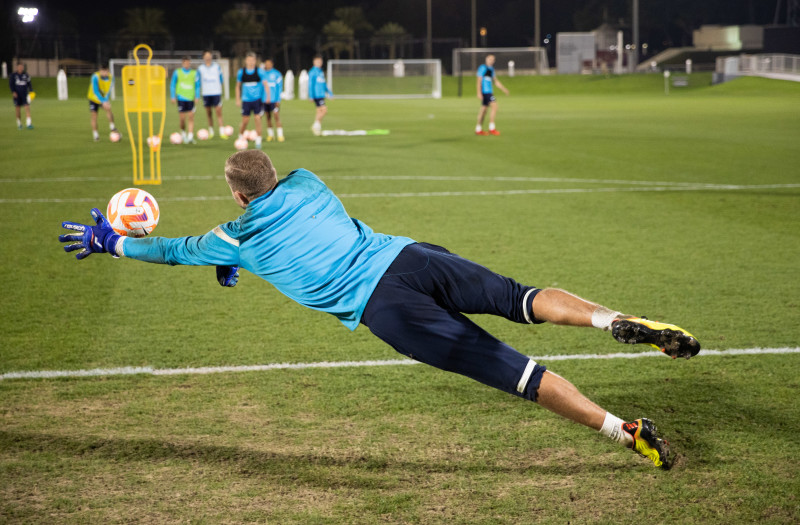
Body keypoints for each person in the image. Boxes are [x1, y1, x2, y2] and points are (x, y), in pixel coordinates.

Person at [59, 150, 701, 470]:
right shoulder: (307, 182)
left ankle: (626, 432)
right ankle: (609, 320)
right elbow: (272, 224)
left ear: (235, 193)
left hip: (384, 307)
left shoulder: (237, 237)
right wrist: (233, 257)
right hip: (410, 256)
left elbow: (173, 250)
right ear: (275, 174)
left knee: (518, 374)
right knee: (520, 298)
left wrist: (112, 242)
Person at [235, 52, 268, 149]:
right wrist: (238, 99)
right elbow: (237, 87)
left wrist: (267, 97)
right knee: (245, 121)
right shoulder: (241, 72)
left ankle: (258, 139)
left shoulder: (260, 72)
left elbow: (266, 85)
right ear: (246, 61)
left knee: (257, 118)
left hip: (257, 100)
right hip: (246, 100)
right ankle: (240, 137)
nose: (251, 62)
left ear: (255, 61)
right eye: (249, 60)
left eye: (252, 60)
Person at [475, 54, 509, 136]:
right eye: (490, 59)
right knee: (494, 106)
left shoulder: (491, 69)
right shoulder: (483, 68)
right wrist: (479, 92)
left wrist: (503, 89)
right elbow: (479, 80)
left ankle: (478, 129)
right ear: (486, 59)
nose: (491, 61)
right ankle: (491, 128)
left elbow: (495, 81)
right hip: (485, 92)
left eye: (493, 60)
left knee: (484, 110)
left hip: (489, 93)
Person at [198, 51, 228, 139]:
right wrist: (198, 94)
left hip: (216, 92)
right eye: (206, 56)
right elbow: (198, 82)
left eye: (209, 56)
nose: (208, 57)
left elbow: (221, 79)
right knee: (209, 113)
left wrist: (218, 88)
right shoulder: (200, 68)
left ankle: (222, 132)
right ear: (203, 57)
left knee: (219, 112)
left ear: (211, 56)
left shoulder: (217, 67)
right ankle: (211, 131)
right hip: (206, 93)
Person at [170, 56, 201, 144]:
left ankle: (190, 137)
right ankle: (183, 134)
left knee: (191, 117)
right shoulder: (177, 72)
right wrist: (173, 96)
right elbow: (172, 84)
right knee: (182, 119)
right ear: (182, 63)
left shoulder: (194, 73)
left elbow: (197, 85)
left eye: (188, 62)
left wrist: (197, 96)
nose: (187, 64)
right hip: (181, 98)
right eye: (185, 63)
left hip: (190, 98)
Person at [87, 65, 119, 141]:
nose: (104, 73)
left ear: (108, 71)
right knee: (94, 116)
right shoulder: (95, 77)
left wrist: (105, 100)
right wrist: (103, 101)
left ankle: (112, 127)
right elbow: (95, 91)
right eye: (102, 71)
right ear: (100, 70)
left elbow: (109, 91)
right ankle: (96, 135)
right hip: (93, 98)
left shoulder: (111, 78)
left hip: (103, 97)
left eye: (105, 71)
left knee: (108, 108)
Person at [308, 56, 332, 136]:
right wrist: (311, 96)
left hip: (321, 94)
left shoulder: (320, 71)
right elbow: (310, 84)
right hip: (317, 95)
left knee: (319, 111)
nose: (320, 63)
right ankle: (315, 125)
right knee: (324, 110)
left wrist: (329, 92)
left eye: (321, 61)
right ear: (314, 62)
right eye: (318, 61)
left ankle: (317, 129)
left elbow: (324, 83)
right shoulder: (312, 72)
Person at [262, 59, 284, 142]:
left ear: (272, 64)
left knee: (276, 116)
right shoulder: (263, 74)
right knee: (268, 117)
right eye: (266, 63)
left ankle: (280, 135)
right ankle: (270, 135)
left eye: (269, 63)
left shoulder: (277, 74)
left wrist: (278, 100)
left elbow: (279, 87)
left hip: (274, 100)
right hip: (265, 100)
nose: (267, 65)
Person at [10, 62, 33, 130]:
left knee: (27, 107)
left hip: (25, 94)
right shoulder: (13, 75)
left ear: (23, 68)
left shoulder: (26, 75)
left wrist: (31, 91)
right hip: (17, 95)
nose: (20, 68)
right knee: (18, 109)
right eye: (19, 67)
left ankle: (29, 124)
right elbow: (11, 84)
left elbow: (29, 84)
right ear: (17, 67)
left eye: (21, 67)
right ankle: (19, 124)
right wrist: (13, 92)